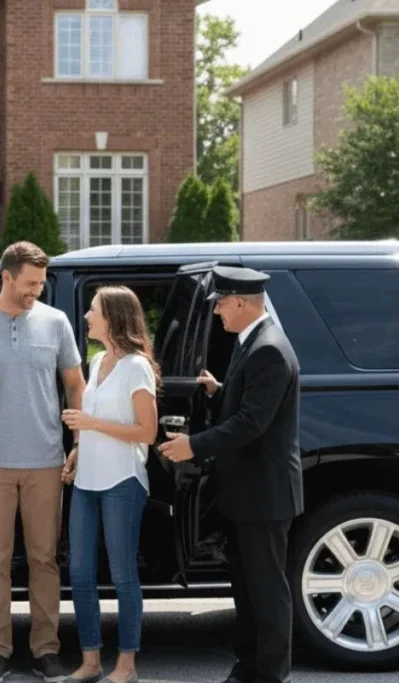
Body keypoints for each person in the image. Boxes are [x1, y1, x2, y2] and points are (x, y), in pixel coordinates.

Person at [157, 265, 303, 683]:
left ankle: (271, 674)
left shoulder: (269, 349)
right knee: (246, 586)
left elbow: (251, 425)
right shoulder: (252, 342)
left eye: (220, 303)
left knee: (268, 591)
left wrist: (193, 445)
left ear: (240, 301)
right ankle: (250, 664)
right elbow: (249, 404)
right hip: (249, 494)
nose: (217, 312)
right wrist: (220, 391)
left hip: (265, 495)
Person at [0, 241, 86, 683]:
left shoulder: (55, 323)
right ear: (7, 276)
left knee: (44, 559)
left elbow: (75, 384)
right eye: (30, 283)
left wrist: (77, 440)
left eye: (41, 283)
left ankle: (46, 650)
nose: (37, 290)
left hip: (45, 461)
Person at [59, 286, 159, 683]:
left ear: (114, 316)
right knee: (80, 573)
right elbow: (91, 418)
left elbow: (147, 432)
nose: (86, 315)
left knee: (122, 575)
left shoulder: (137, 366)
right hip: (86, 481)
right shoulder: (97, 361)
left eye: (93, 310)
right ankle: (90, 661)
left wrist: (91, 425)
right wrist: (78, 449)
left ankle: (126, 666)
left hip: (122, 481)